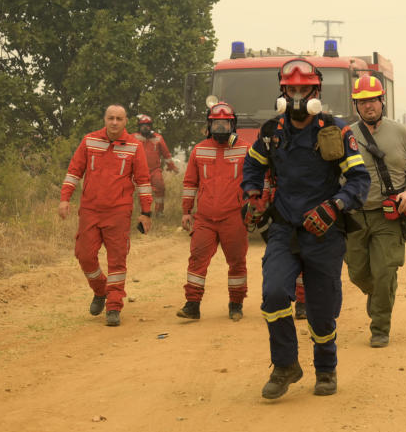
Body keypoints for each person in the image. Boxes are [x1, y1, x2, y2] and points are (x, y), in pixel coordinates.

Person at [241, 58, 370, 399]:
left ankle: (326, 369)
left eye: (304, 89)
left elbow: (359, 180)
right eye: (291, 90)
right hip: (284, 228)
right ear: (282, 92)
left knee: (321, 309)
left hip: (324, 233)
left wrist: (334, 206)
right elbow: (252, 164)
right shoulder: (270, 132)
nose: (297, 96)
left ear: (316, 91)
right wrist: (251, 193)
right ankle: (285, 365)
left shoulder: (336, 130)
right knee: (273, 295)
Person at [346, 75, 406, 349]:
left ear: (383, 101)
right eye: (363, 101)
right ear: (356, 105)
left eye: (373, 100)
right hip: (354, 215)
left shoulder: (400, 132)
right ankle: (380, 294)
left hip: (387, 215)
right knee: (357, 273)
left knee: (384, 271)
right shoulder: (347, 135)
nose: (369, 106)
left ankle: (380, 328)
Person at [59, 104, 153, 327]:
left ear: (125, 121)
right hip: (90, 210)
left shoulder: (134, 146)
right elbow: (74, 171)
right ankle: (100, 290)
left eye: (119, 119)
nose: (114, 122)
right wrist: (65, 198)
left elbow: (143, 181)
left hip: (118, 212)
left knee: (117, 260)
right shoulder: (89, 141)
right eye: (110, 118)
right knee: (84, 255)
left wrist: (146, 212)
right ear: (104, 119)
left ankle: (113, 306)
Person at [177, 102, 249, 321]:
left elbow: (257, 181)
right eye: (216, 124)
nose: (220, 129)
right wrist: (186, 211)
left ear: (233, 124)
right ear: (209, 125)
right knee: (197, 259)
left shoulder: (246, 149)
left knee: (236, 262)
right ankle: (192, 305)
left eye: (225, 124)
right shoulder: (199, 150)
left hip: (234, 217)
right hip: (205, 218)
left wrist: (256, 209)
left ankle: (235, 304)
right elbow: (190, 183)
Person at [135, 113, 180, 218]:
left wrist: (172, 166)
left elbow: (166, 154)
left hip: (155, 170)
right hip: (140, 171)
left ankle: (159, 212)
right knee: (142, 192)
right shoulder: (134, 137)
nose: (145, 127)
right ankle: (144, 213)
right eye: (143, 125)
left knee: (160, 188)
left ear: (151, 126)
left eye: (147, 125)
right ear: (139, 127)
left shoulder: (158, 138)